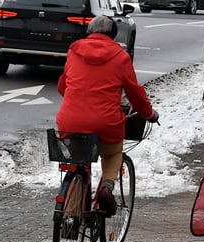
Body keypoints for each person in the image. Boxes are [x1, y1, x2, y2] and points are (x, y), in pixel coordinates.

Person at [56, 15, 159, 216]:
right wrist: (149, 114)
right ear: (113, 35)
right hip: (105, 123)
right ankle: (107, 187)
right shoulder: (120, 57)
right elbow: (134, 93)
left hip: (70, 121)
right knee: (112, 153)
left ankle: (70, 218)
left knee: (78, 162)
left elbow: (62, 87)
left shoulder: (74, 51)